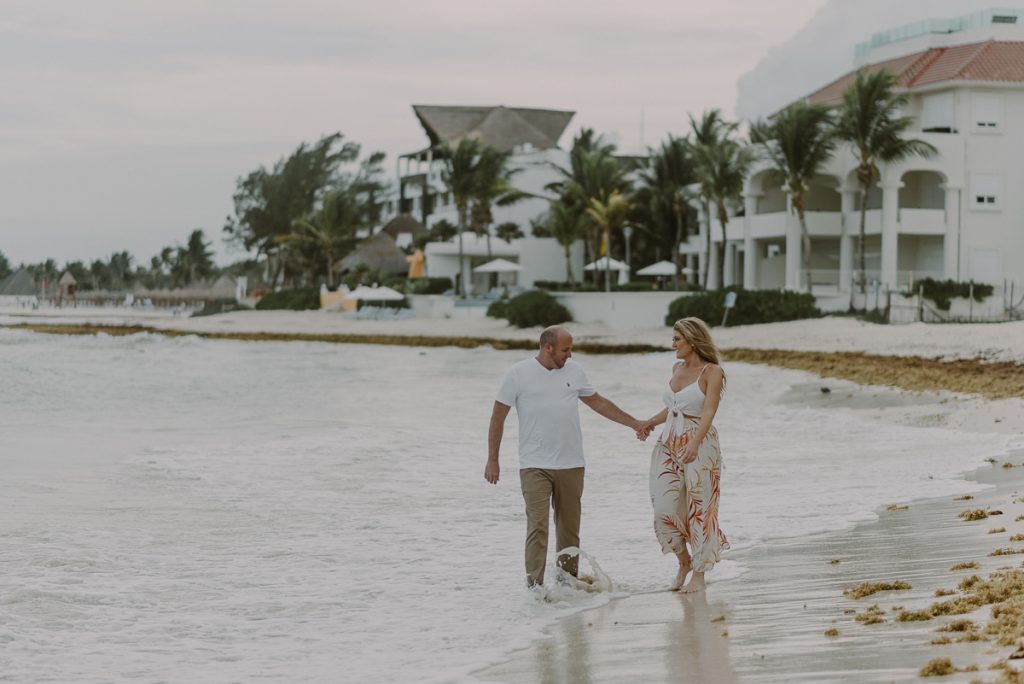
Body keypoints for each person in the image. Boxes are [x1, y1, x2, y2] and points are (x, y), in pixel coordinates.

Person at [486, 325, 644, 588]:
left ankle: (567, 584)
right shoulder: (518, 374)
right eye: (565, 349)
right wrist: (493, 459)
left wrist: (634, 423)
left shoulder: (575, 371)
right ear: (548, 347)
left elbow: (599, 403)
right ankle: (535, 589)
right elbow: (497, 417)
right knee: (538, 527)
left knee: (569, 531)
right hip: (534, 465)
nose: (570, 355)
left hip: (571, 464)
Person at [637, 317, 729, 593]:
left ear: (692, 339)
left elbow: (709, 412)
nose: (673, 344)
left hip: (700, 446)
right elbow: (674, 408)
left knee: (701, 508)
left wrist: (694, 443)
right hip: (668, 444)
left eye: (677, 339)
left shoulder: (713, 372)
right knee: (663, 508)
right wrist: (650, 423)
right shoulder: (676, 368)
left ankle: (700, 573)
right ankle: (684, 561)